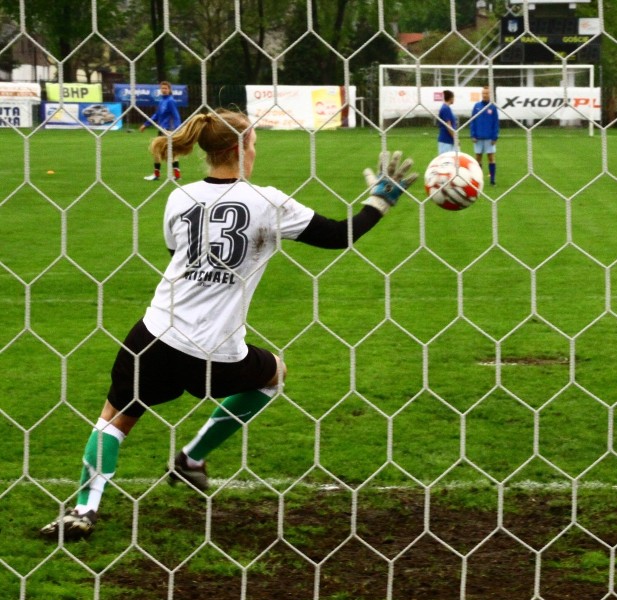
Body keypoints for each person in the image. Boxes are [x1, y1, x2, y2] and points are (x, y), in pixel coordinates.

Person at [40, 109, 417, 540]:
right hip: (214, 352)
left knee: (113, 420)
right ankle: (192, 459)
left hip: (155, 336)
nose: (256, 151)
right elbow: (338, 236)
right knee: (273, 374)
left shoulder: (180, 197)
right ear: (242, 148)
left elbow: (175, 254)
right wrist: (380, 201)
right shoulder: (269, 203)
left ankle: (84, 509)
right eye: (254, 143)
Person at [139, 81, 183, 181]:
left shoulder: (171, 101)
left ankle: (157, 175)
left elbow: (176, 116)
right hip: (161, 129)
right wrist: (146, 124)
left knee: (156, 150)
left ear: (169, 90)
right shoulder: (162, 101)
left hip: (167, 131)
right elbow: (157, 115)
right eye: (162, 88)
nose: (164, 90)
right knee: (170, 153)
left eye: (166, 88)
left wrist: (177, 129)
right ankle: (176, 175)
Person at [470, 86, 499, 185]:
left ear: (490, 95)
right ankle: (479, 179)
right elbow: (472, 121)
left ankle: (492, 179)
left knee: (491, 157)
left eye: (487, 93)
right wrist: (473, 134)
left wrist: (495, 136)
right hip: (478, 137)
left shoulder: (493, 107)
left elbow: (495, 123)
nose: (485, 95)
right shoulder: (477, 106)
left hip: (489, 138)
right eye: (483, 93)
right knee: (478, 158)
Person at [437, 89, 457, 154]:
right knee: (446, 161)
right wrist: (455, 138)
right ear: (451, 98)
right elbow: (448, 126)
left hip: (449, 140)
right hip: (446, 141)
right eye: (453, 98)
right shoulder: (445, 109)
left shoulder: (447, 108)